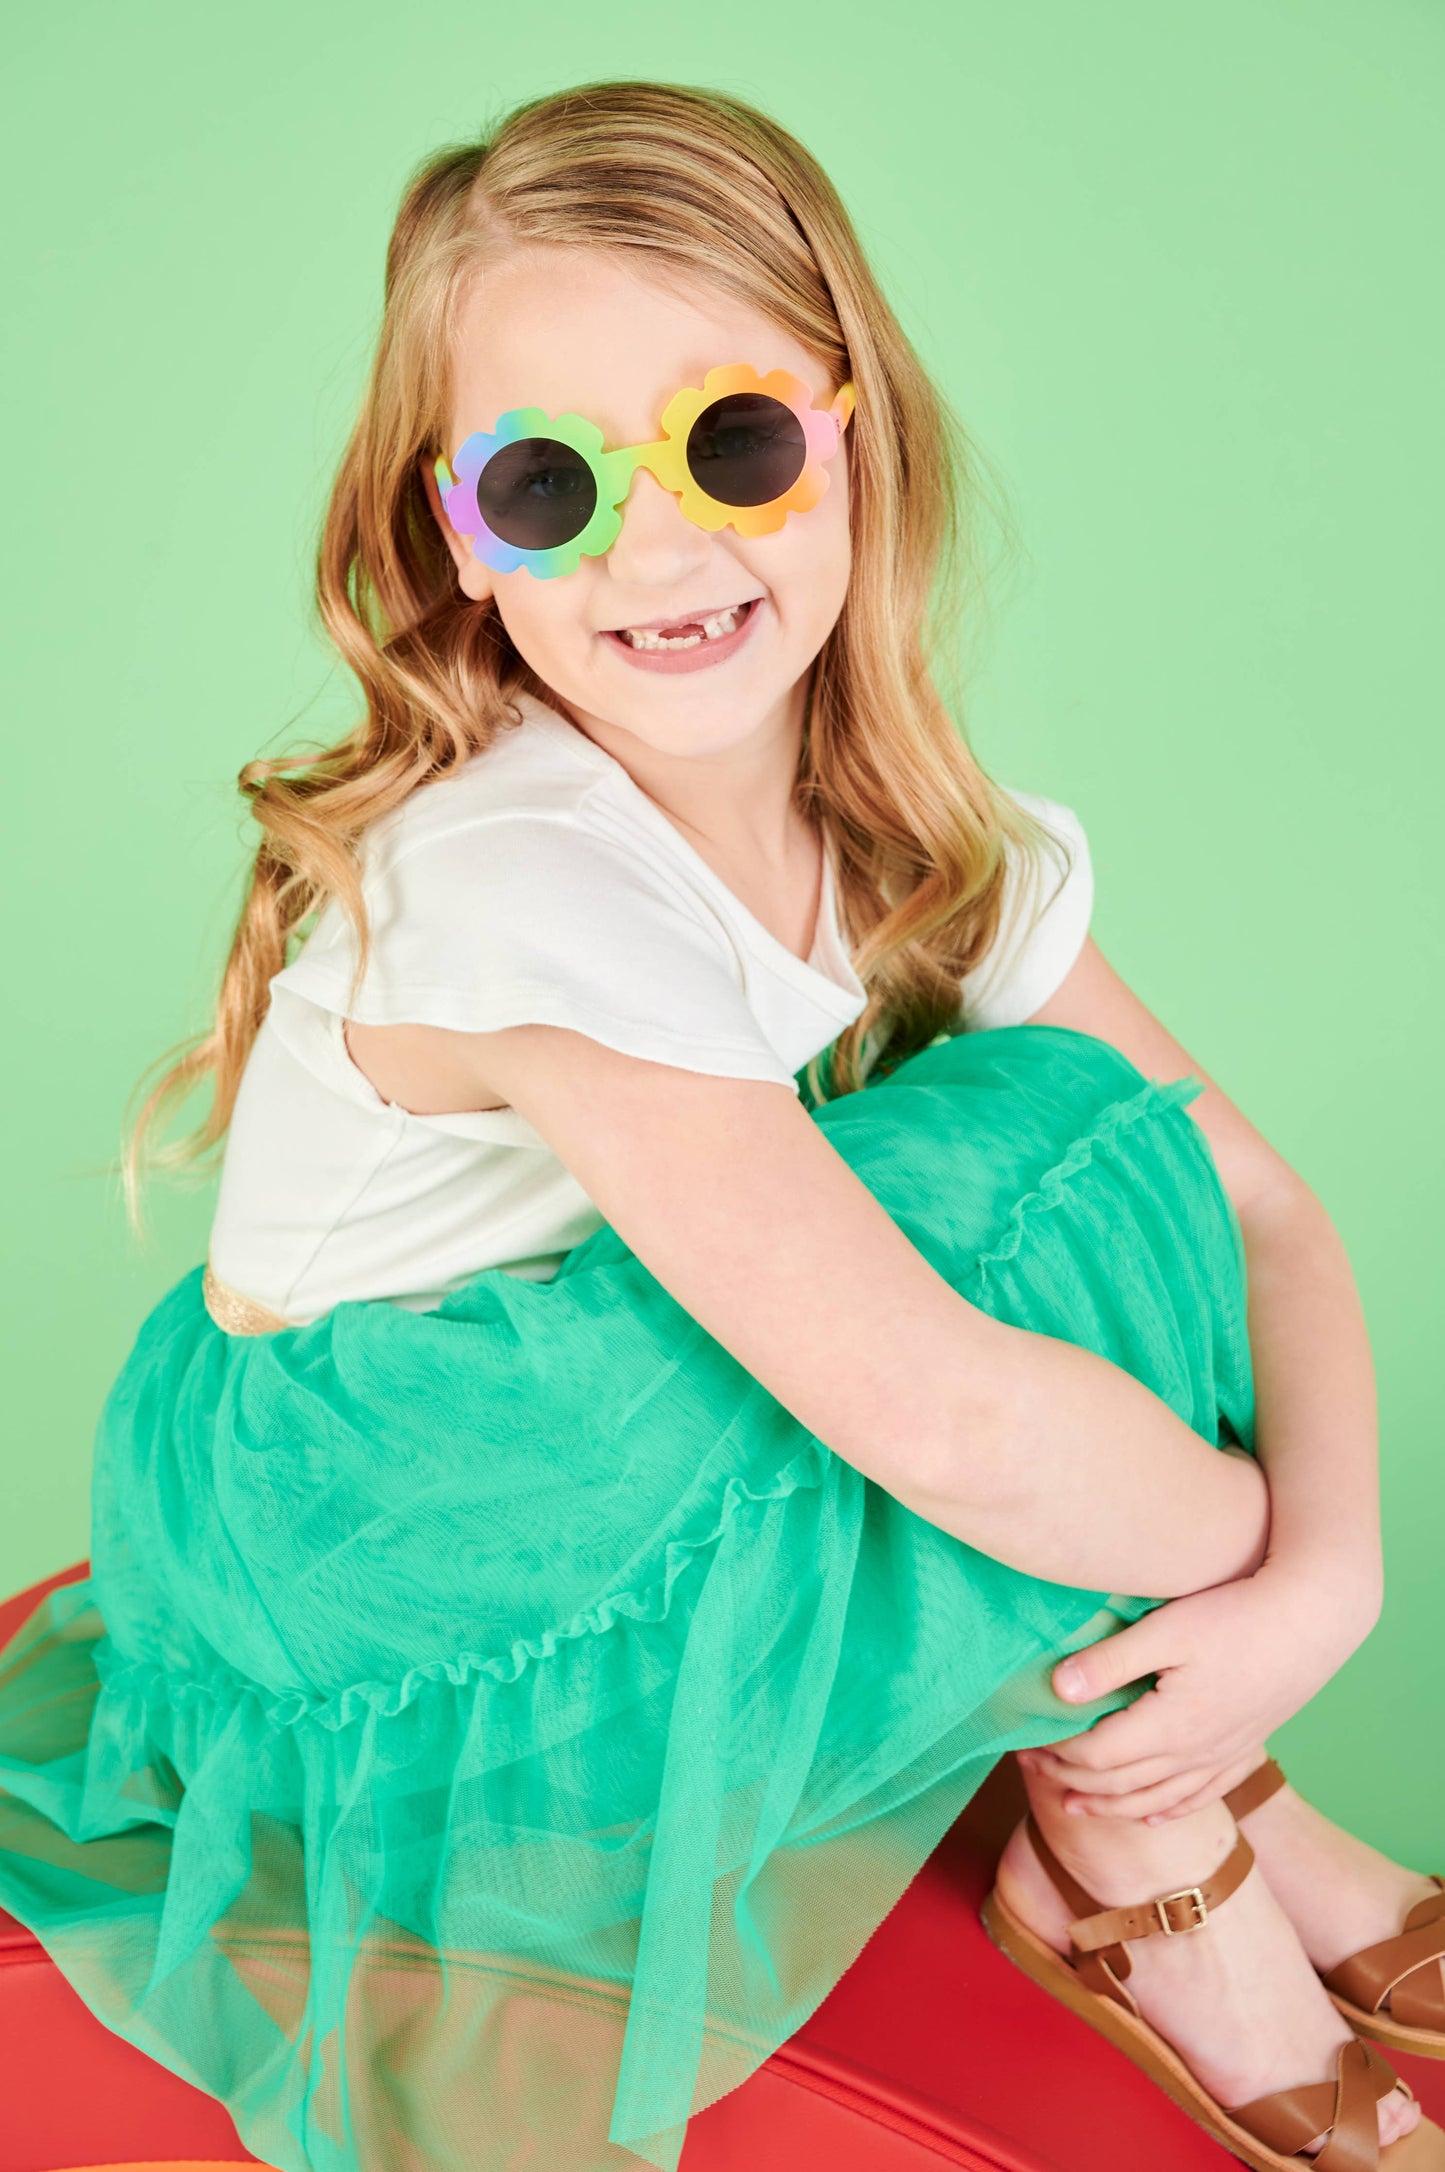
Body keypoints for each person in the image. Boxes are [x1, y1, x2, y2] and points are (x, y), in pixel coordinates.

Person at [0, 77, 1439, 2172]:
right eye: (549, 486)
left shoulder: (915, 832)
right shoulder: (518, 877)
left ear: (856, 438)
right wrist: (1248, 1557)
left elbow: (1247, 1195)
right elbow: (941, 1420)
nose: (660, 551)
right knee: (1009, 1183)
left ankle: (1223, 1805)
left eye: (738, 445)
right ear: (455, 534)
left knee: (1066, 1137)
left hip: (572, 1451)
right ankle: (1148, 1845)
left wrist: (1333, 1581)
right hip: (377, 1552)